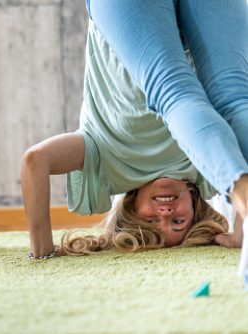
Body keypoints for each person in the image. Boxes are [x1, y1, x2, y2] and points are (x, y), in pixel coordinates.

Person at [22, 0, 248, 260]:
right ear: (195, 206)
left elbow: (35, 160)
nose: (165, 215)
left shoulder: (107, 164)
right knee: (235, 98)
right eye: (179, 223)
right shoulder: (209, 169)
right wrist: (240, 227)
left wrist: (42, 251)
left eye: (150, 224)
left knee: (177, 93)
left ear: (129, 211)